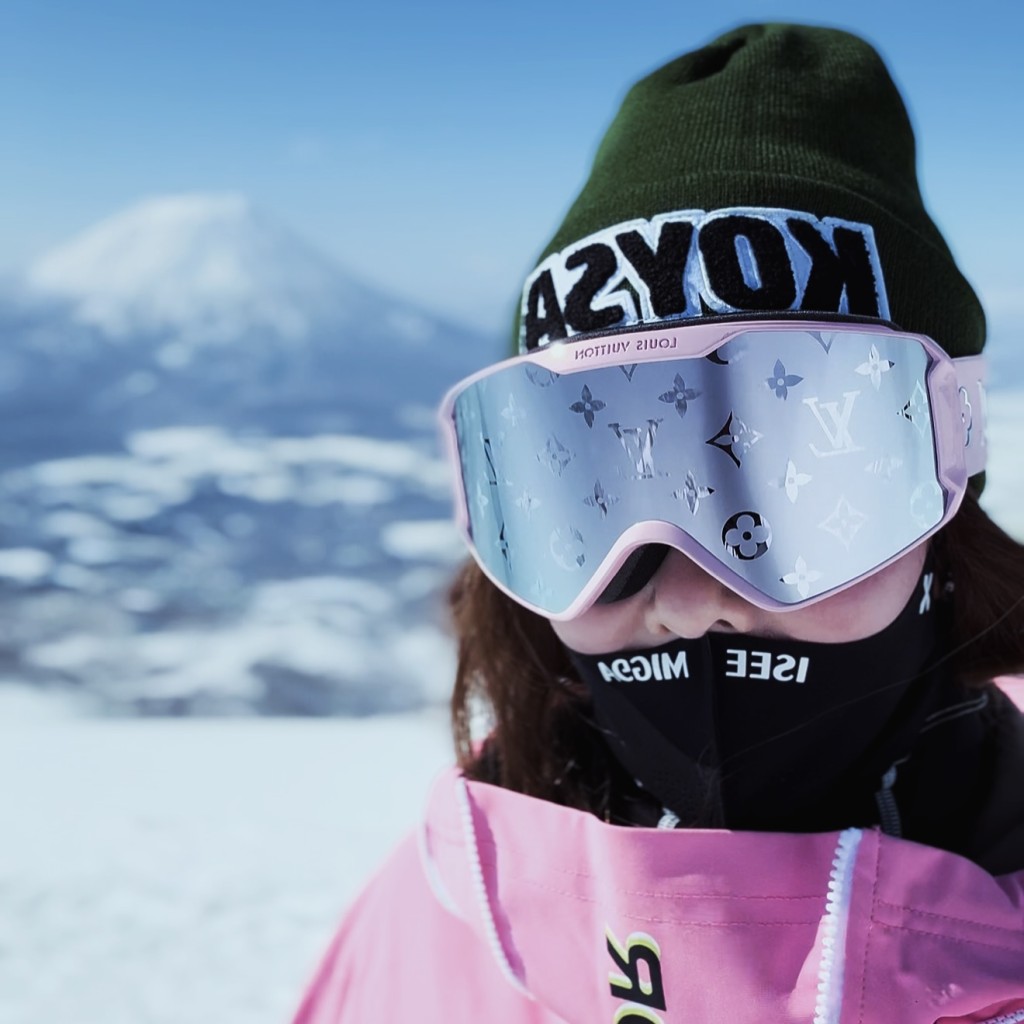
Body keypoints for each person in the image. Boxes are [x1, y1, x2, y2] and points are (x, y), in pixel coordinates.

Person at [293, 23, 1024, 1022]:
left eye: (796, 491)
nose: (686, 597)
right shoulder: (440, 914)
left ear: (948, 486)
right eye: (586, 497)